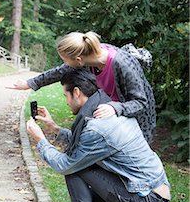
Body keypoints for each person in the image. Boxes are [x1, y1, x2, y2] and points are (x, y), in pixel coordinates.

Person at [26, 69, 170, 202]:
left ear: (77, 92)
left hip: (147, 200)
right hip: (156, 195)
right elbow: (88, 145)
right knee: (83, 162)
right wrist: (54, 128)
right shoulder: (107, 108)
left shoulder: (96, 127)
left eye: (66, 96)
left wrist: (41, 141)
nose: (66, 102)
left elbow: (66, 164)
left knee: (75, 169)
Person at [11, 31, 156, 144]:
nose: (64, 64)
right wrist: (30, 83)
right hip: (113, 119)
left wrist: (115, 108)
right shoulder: (90, 55)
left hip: (137, 126)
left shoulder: (122, 64)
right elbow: (60, 72)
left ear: (78, 60)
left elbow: (141, 102)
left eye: (65, 60)